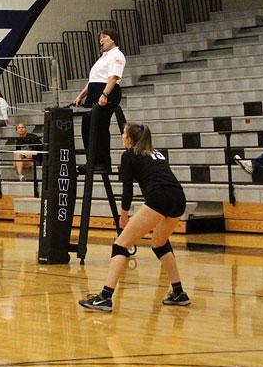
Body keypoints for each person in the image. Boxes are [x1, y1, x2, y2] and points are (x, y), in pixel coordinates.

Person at [80, 123, 191, 312]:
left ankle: (105, 297)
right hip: (178, 198)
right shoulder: (157, 153)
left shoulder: (128, 155)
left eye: (123, 134)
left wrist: (124, 216)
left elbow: (127, 190)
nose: (122, 137)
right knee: (159, 242)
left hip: (159, 197)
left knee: (120, 245)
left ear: (130, 139)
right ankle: (179, 292)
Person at [73, 28, 125, 174]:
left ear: (113, 39)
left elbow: (113, 77)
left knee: (100, 127)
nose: (101, 40)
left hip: (106, 92)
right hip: (94, 92)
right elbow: (93, 80)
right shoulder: (103, 57)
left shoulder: (117, 55)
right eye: (100, 38)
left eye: (104, 37)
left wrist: (105, 94)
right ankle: (92, 161)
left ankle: (103, 162)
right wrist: (81, 95)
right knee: (87, 126)